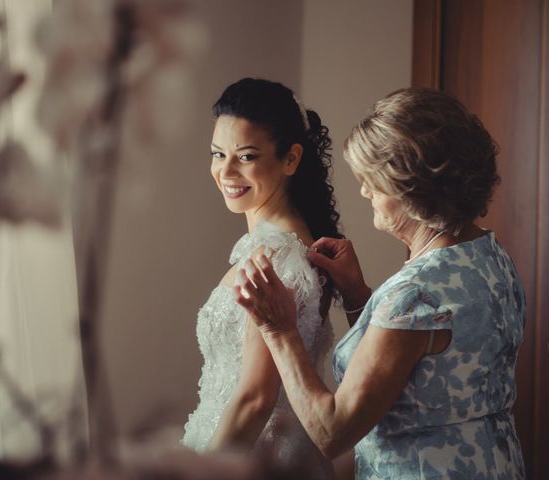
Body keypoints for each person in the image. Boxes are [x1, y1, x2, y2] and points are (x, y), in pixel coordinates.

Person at [235, 87, 526, 479]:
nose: (364, 190)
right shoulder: (489, 255)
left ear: (411, 187)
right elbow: (420, 367)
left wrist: (280, 328)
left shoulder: (414, 294)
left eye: (373, 180)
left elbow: (332, 430)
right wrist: (358, 296)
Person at [181, 78, 341, 478]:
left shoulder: (279, 258)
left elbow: (255, 399)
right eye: (218, 154)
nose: (226, 171)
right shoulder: (269, 246)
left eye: (246, 156)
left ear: (290, 159)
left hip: (255, 459)